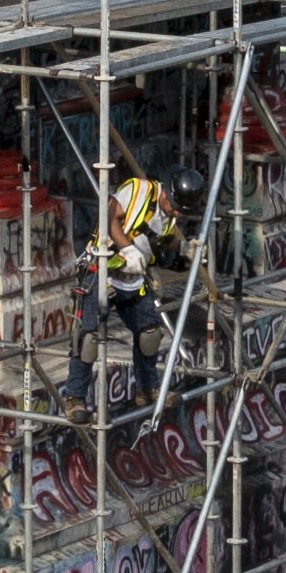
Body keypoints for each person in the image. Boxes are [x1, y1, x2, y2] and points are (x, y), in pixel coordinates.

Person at [77, 153, 176, 407]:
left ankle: (148, 388)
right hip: (101, 272)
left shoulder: (170, 215)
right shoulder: (137, 190)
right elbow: (109, 220)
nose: (176, 213)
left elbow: (156, 245)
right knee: (87, 339)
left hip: (133, 280)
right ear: (166, 193)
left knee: (149, 334)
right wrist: (128, 249)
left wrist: (185, 251)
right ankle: (74, 398)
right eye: (174, 206)